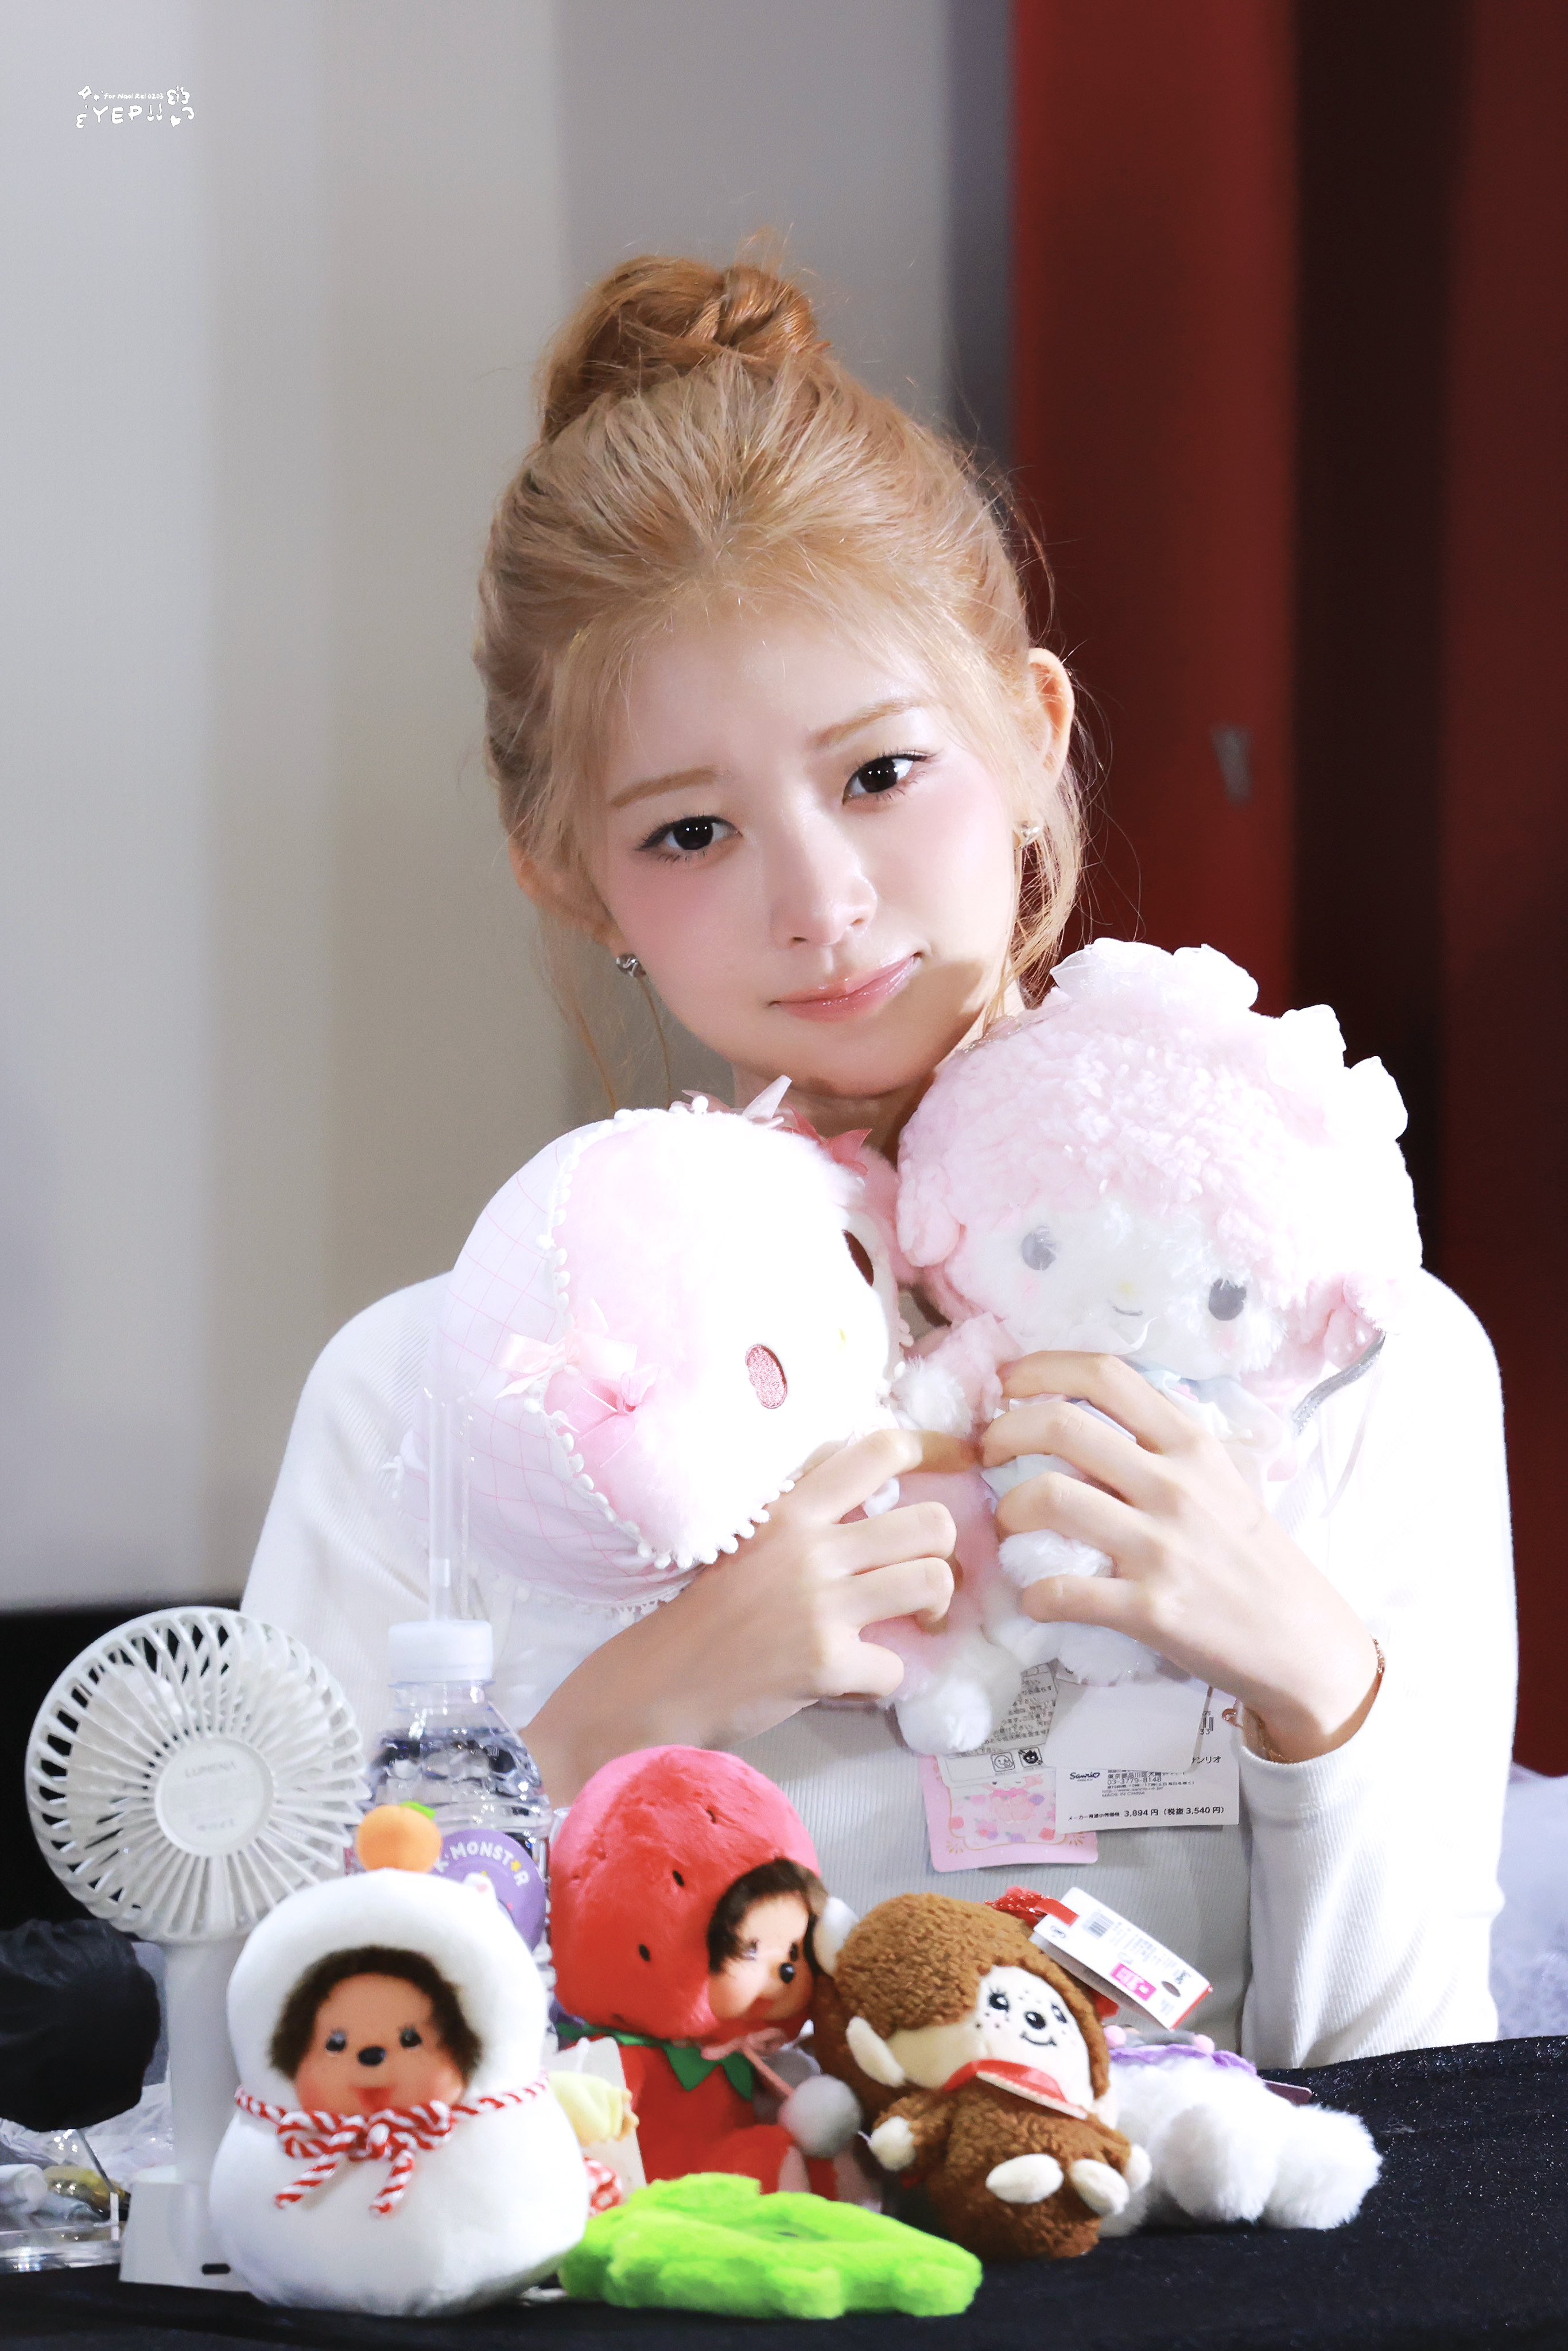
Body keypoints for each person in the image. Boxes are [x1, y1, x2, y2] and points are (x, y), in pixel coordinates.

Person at [244, 254, 1515, 2069]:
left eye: (880, 775)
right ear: (571, 878)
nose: (820, 901)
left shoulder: (1345, 1355)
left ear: (1033, 737)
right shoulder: (430, 1404)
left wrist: (1311, 1678)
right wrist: (637, 1711)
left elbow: (1424, 2113)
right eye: (691, 832)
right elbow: (284, 2090)